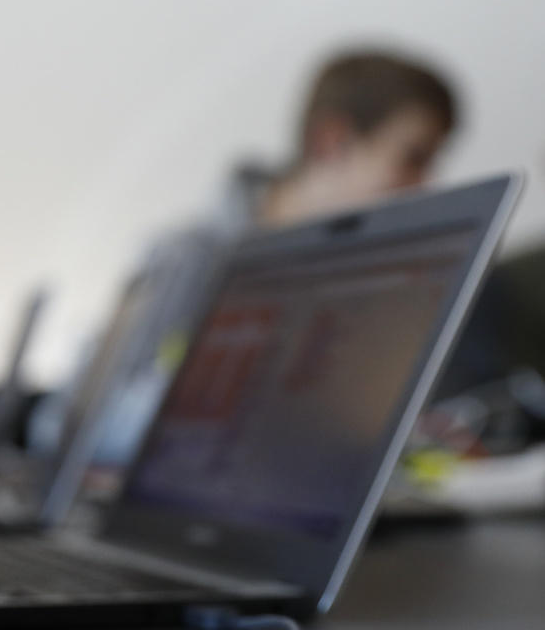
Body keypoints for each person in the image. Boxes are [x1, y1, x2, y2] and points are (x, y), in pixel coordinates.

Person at [36, 50, 460, 466]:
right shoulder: (188, 257)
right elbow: (67, 427)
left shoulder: (375, 277)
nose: (423, 185)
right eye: (413, 158)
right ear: (333, 142)